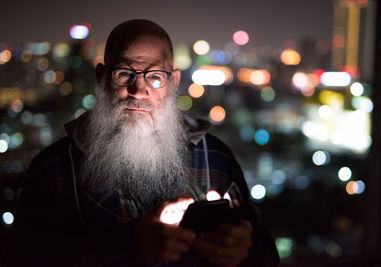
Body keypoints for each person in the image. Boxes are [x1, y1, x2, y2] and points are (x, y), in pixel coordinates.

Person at [5, 19, 279, 267]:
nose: (139, 90)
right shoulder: (53, 168)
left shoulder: (215, 158)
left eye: (155, 76)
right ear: (102, 77)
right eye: (125, 73)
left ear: (173, 83)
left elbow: (266, 256)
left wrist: (244, 251)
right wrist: (127, 246)